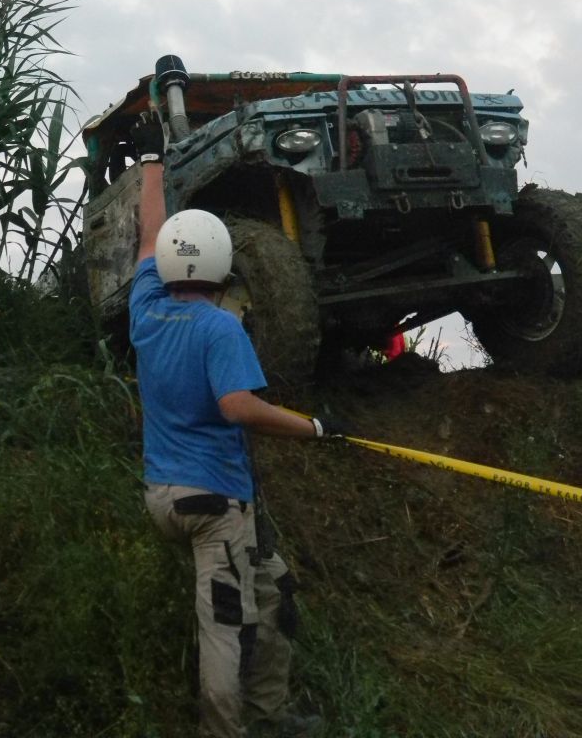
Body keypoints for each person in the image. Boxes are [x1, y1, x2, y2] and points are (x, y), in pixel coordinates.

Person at [129, 110, 340, 738]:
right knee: (225, 623)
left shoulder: (146, 307)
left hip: (167, 495)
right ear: (222, 264)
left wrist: (150, 164)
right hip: (215, 502)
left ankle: (269, 716)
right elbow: (237, 408)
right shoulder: (221, 328)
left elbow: (147, 237)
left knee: (273, 593)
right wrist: (313, 427)